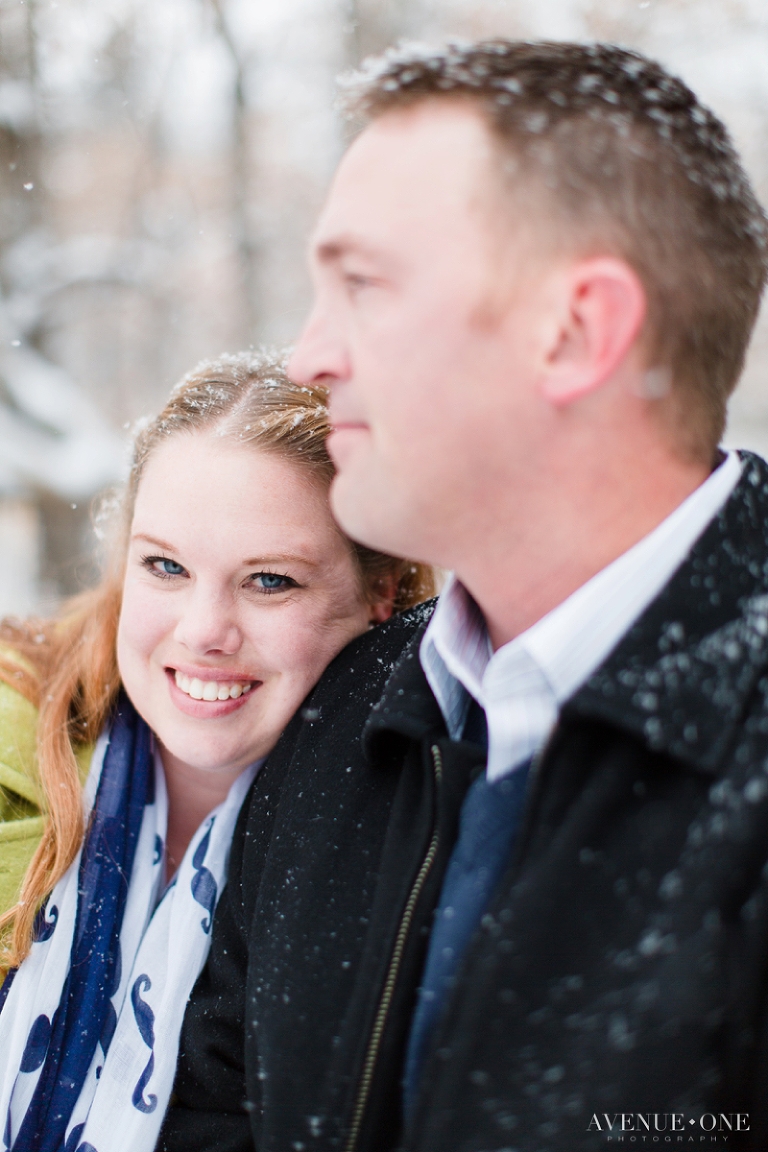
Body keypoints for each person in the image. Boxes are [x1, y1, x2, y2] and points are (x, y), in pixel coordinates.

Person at [161, 40, 768, 1152]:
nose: (308, 356)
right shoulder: (347, 715)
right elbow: (215, 1107)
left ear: (576, 331)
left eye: (364, 285)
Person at [0, 349, 433, 1152]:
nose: (203, 631)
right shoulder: (11, 755)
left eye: (269, 581)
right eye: (166, 566)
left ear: (383, 592)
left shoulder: (426, 817)